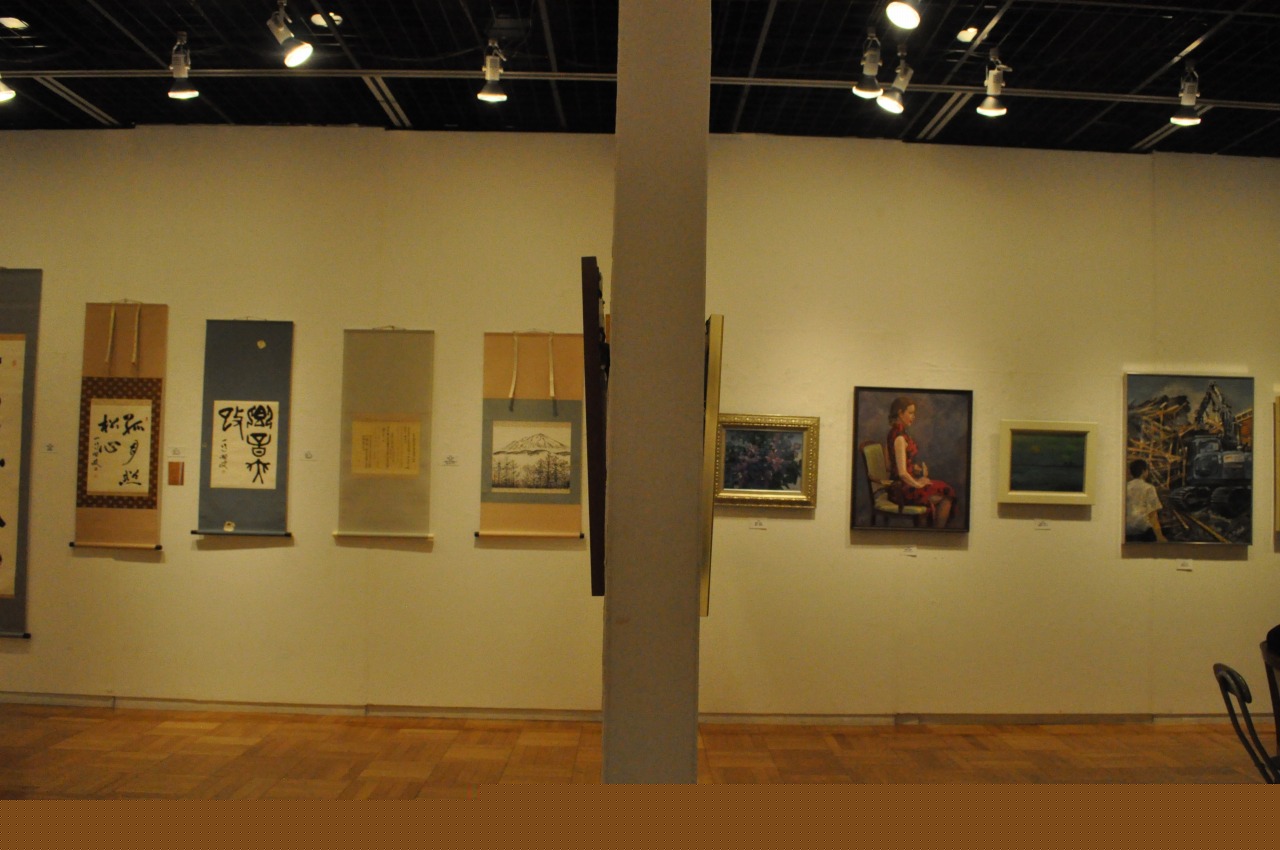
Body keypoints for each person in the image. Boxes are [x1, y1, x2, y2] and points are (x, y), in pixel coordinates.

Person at [886, 396, 956, 528]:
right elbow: (902, 473)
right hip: (902, 490)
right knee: (947, 494)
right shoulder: (900, 438)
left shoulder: (894, 433)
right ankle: (937, 534)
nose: (913, 417)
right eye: (910, 413)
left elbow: (890, 465)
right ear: (900, 413)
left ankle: (929, 531)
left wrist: (913, 468)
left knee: (942, 489)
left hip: (900, 486)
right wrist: (918, 484)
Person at [1125, 458, 1166, 542]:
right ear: (1144, 471)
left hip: (1127, 530)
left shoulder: (1125, 487)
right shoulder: (1149, 488)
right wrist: (1159, 536)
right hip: (1144, 531)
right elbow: (1153, 514)